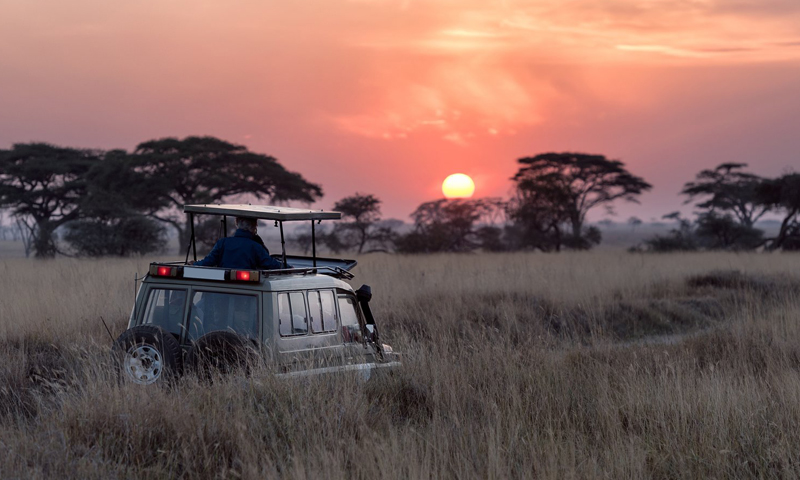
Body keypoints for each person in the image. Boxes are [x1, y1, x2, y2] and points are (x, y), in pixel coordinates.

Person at [191, 216, 284, 270]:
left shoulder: (222, 243)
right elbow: (269, 263)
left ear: (237, 224)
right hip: (248, 289)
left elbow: (209, 261)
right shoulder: (256, 246)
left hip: (223, 287)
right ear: (254, 227)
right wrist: (287, 267)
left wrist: (194, 264)